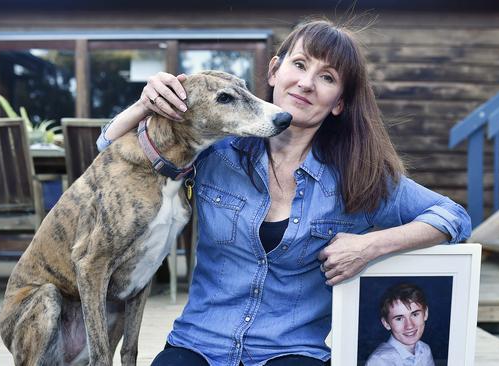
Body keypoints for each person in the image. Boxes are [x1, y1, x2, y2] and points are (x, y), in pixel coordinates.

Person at [97, 18, 471, 366]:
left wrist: (369, 246)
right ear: (275, 71)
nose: (306, 83)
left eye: (326, 77)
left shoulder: (359, 177)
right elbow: (109, 152)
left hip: (291, 351)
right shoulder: (216, 152)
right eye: (299, 65)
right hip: (199, 344)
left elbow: (454, 217)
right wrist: (145, 104)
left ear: (339, 102)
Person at [366, 283, 435, 366]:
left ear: (426, 313)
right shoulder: (380, 361)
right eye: (399, 318)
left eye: (415, 314)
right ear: (386, 323)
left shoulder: (424, 350)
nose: (409, 326)